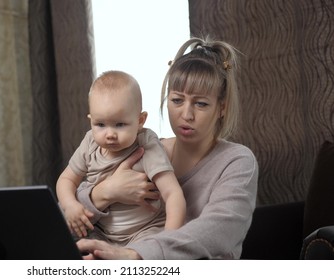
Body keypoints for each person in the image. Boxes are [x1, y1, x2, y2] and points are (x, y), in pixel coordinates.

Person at [76, 36, 259, 259]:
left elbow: (219, 230)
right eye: (177, 101)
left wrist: (136, 256)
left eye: (201, 104)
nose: (187, 115)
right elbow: (64, 215)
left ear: (221, 107)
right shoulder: (144, 148)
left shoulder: (237, 161)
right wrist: (103, 193)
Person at [56, 70, 186, 246]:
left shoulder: (146, 144)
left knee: (147, 250)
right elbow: (66, 180)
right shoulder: (90, 143)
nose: (110, 134)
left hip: (144, 230)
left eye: (120, 125)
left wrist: (168, 240)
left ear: (140, 120)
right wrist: (70, 205)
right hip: (102, 233)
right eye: (100, 124)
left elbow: (173, 194)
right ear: (90, 120)